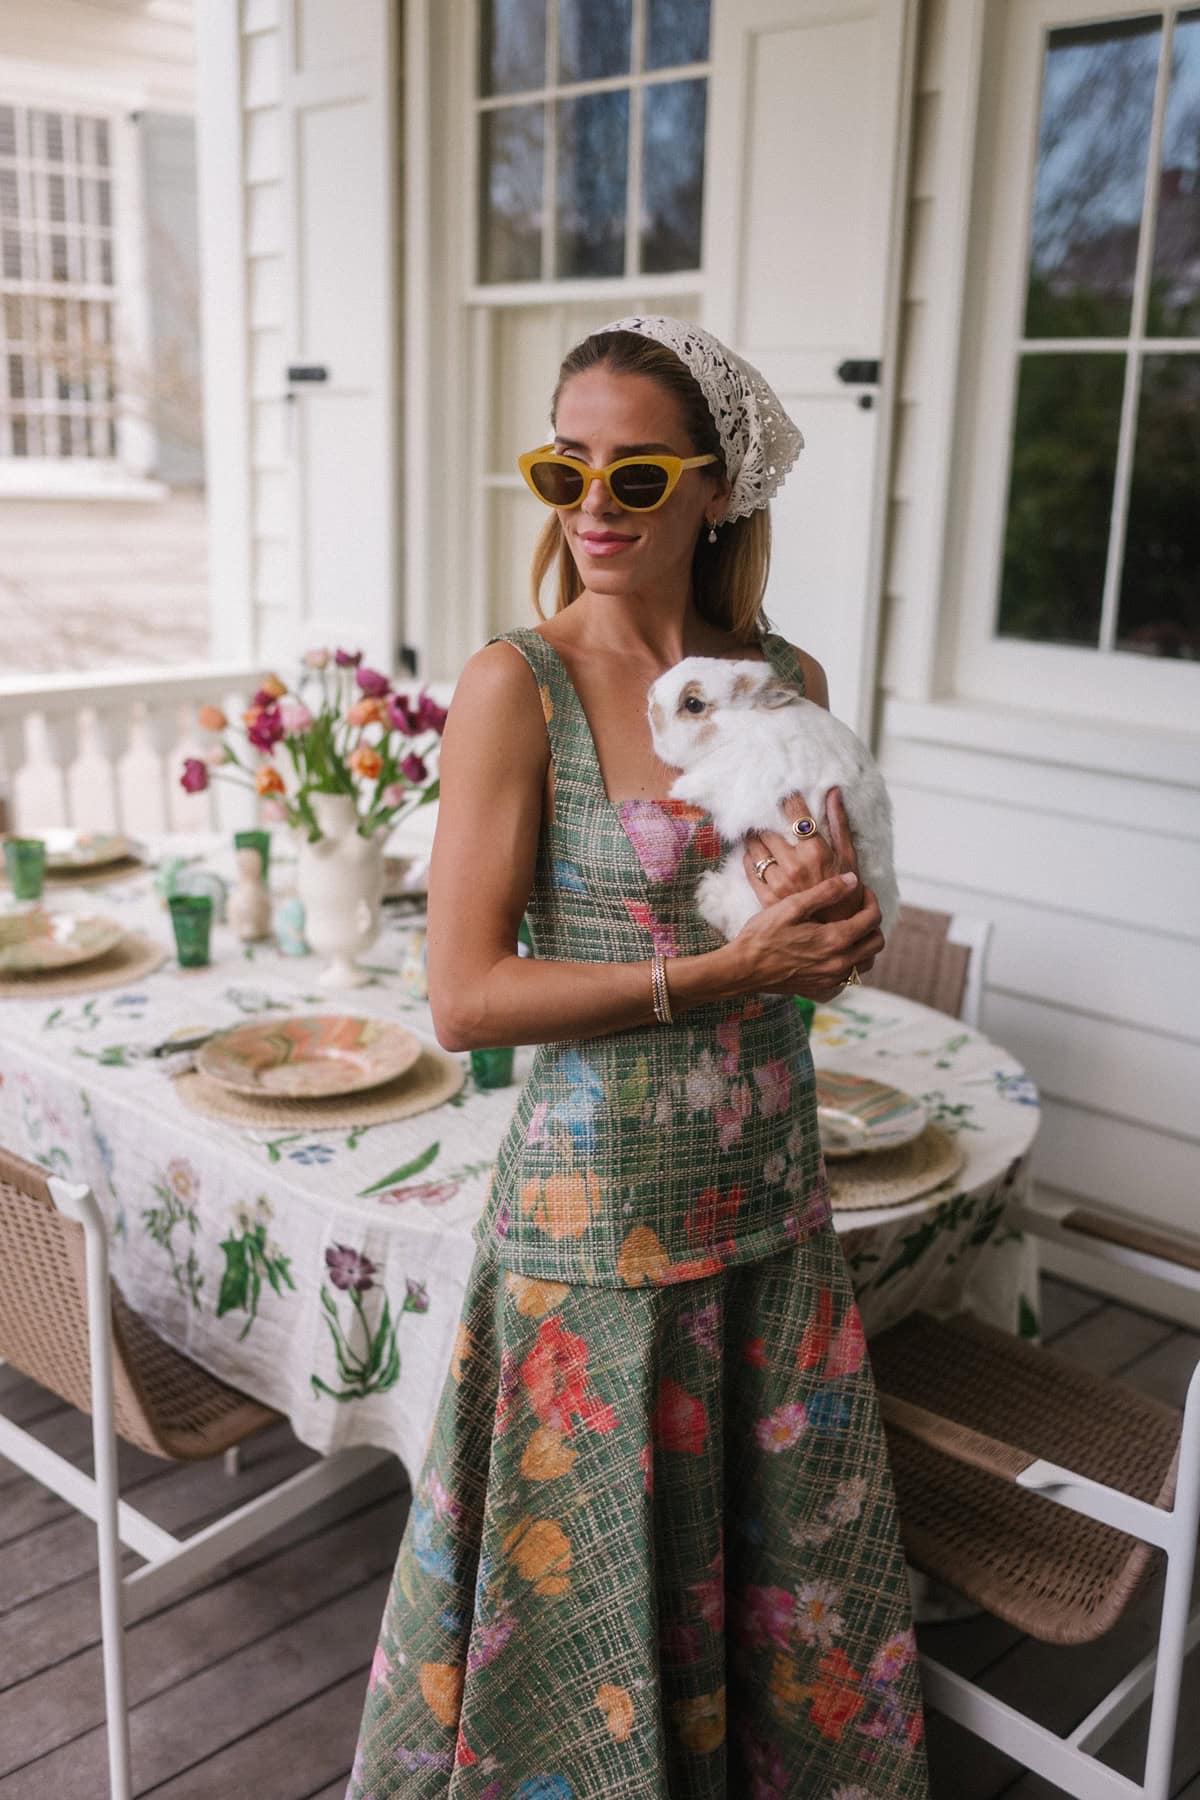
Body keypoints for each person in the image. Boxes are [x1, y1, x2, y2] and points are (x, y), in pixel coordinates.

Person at [346, 316, 930, 1798]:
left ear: (716, 491)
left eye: (637, 474)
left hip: (770, 1213)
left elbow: (817, 923)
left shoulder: (780, 673)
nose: (591, 507)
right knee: (581, 1636)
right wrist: (727, 972)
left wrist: (834, 937)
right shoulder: (514, 684)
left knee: (778, 1610)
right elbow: (467, 999)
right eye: (564, 466)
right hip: (595, 1235)